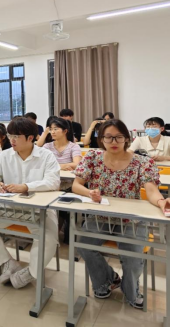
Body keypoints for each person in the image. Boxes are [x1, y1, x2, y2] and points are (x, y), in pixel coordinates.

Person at [73, 119, 168, 309]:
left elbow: (151, 190)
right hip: (100, 216)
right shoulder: (92, 157)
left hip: (130, 219)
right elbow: (76, 185)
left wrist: (161, 201)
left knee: (132, 257)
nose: (114, 141)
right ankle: (108, 279)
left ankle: (131, 289)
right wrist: (89, 193)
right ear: (102, 139)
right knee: (83, 245)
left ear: (126, 138)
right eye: (108, 137)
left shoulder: (142, 161)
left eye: (118, 137)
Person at [0, 117, 60, 289]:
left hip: (39, 210)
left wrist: (26, 187)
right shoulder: (5, 155)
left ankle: (30, 273)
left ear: (30, 138)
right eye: (10, 136)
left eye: (16, 136)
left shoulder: (46, 156)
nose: (11, 140)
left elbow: (53, 182)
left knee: (49, 237)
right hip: (10, 207)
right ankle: (7, 262)